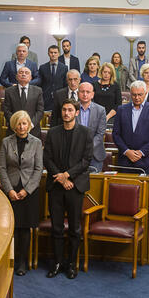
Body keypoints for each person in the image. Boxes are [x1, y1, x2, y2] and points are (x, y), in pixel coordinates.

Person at [43, 99, 93, 279]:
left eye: (70, 110)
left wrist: (68, 176)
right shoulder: (53, 132)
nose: (66, 113)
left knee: (74, 228)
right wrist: (61, 177)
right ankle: (57, 263)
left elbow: (86, 161)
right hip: (56, 185)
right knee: (56, 228)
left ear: (77, 113)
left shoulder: (86, 133)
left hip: (75, 186)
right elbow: (47, 159)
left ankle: (71, 264)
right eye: (64, 110)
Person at [0, 110, 43, 276]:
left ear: (29, 125)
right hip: (10, 188)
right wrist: (9, 189)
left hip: (28, 191)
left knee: (24, 228)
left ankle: (21, 262)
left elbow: (38, 169)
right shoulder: (6, 142)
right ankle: (9, 259)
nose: (21, 126)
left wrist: (27, 190)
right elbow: (2, 167)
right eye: (18, 123)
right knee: (11, 226)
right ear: (14, 125)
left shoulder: (37, 143)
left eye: (24, 123)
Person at [112, 81, 149, 175]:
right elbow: (116, 134)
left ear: (146, 93)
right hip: (125, 161)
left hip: (147, 161)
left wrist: (141, 152)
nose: (137, 98)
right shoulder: (121, 110)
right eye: (134, 95)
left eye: (140, 95)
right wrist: (126, 151)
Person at [3, 66, 44, 137]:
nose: (23, 74)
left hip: (33, 129)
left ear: (31, 77)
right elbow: (6, 110)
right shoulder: (9, 91)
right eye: (21, 72)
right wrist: (15, 123)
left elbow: (40, 110)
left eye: (26, 73)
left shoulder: (38, 91)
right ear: (16, 77)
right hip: (14, 129)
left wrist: (30, 124)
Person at [77, 81, 107, 172]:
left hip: (95, 154)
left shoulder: (101, 110)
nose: (85, 94)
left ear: (92, 94)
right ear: (78, 94)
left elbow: (100, 133)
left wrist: (88, 147)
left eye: (88, 92)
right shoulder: (72, 109)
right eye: (82, 92)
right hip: (75, 153)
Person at [38, 44, 68, 110]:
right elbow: (40, 84)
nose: (53, 54)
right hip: (46, 98)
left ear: (59, 54)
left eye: (55, 52)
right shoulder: (42, 67)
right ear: (48, 53)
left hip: (60, 98)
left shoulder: (64, 68)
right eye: (51, 52)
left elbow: (65, 84)